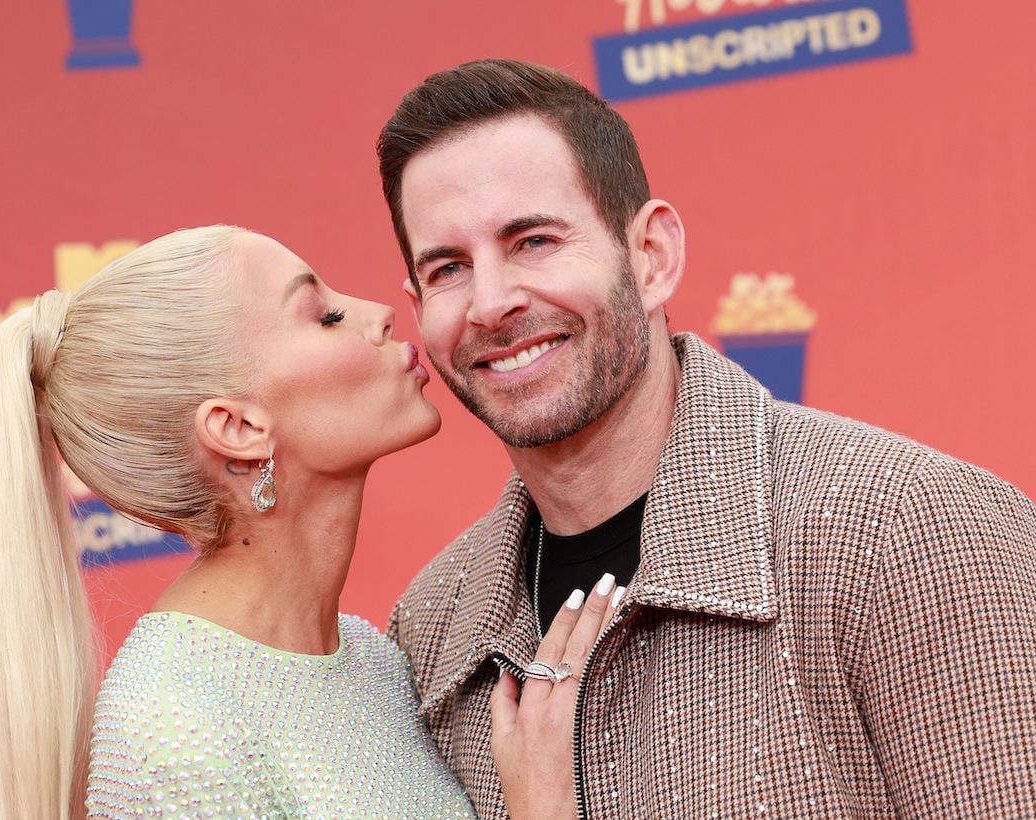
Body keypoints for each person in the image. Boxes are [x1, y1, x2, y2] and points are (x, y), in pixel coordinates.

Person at [377, 58, 1036, 818]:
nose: (491, 303)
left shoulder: (908, 531)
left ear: (651, 256)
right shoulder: (429, 631)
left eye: (533, 241)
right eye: (449, 267)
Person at [0, 225, 503, 819]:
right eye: (325, 316)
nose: (382, 314)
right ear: (238, 429)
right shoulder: (171, 728)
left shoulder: (374, 658)